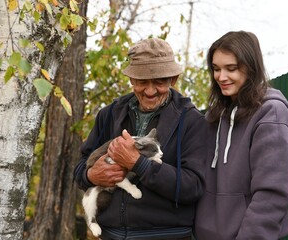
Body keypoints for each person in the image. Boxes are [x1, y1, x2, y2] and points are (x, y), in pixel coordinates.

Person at [74, 38, 206, 240]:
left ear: (173, 79)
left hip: (168, 236)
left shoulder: (192, 121)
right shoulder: (109, 114)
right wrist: (91, 176)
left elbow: (193, 187)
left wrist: (139, 164)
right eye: (142, 81)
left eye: (160, 82)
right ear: (131, 80)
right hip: (111, 235)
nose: (150, 91)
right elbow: (80, 167)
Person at [194, 31, 288, 240]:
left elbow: (271, 195)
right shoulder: (215, 116)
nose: (221, 77)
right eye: (216, 69)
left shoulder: (271, 114)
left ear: (251, 67)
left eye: (230, 68)